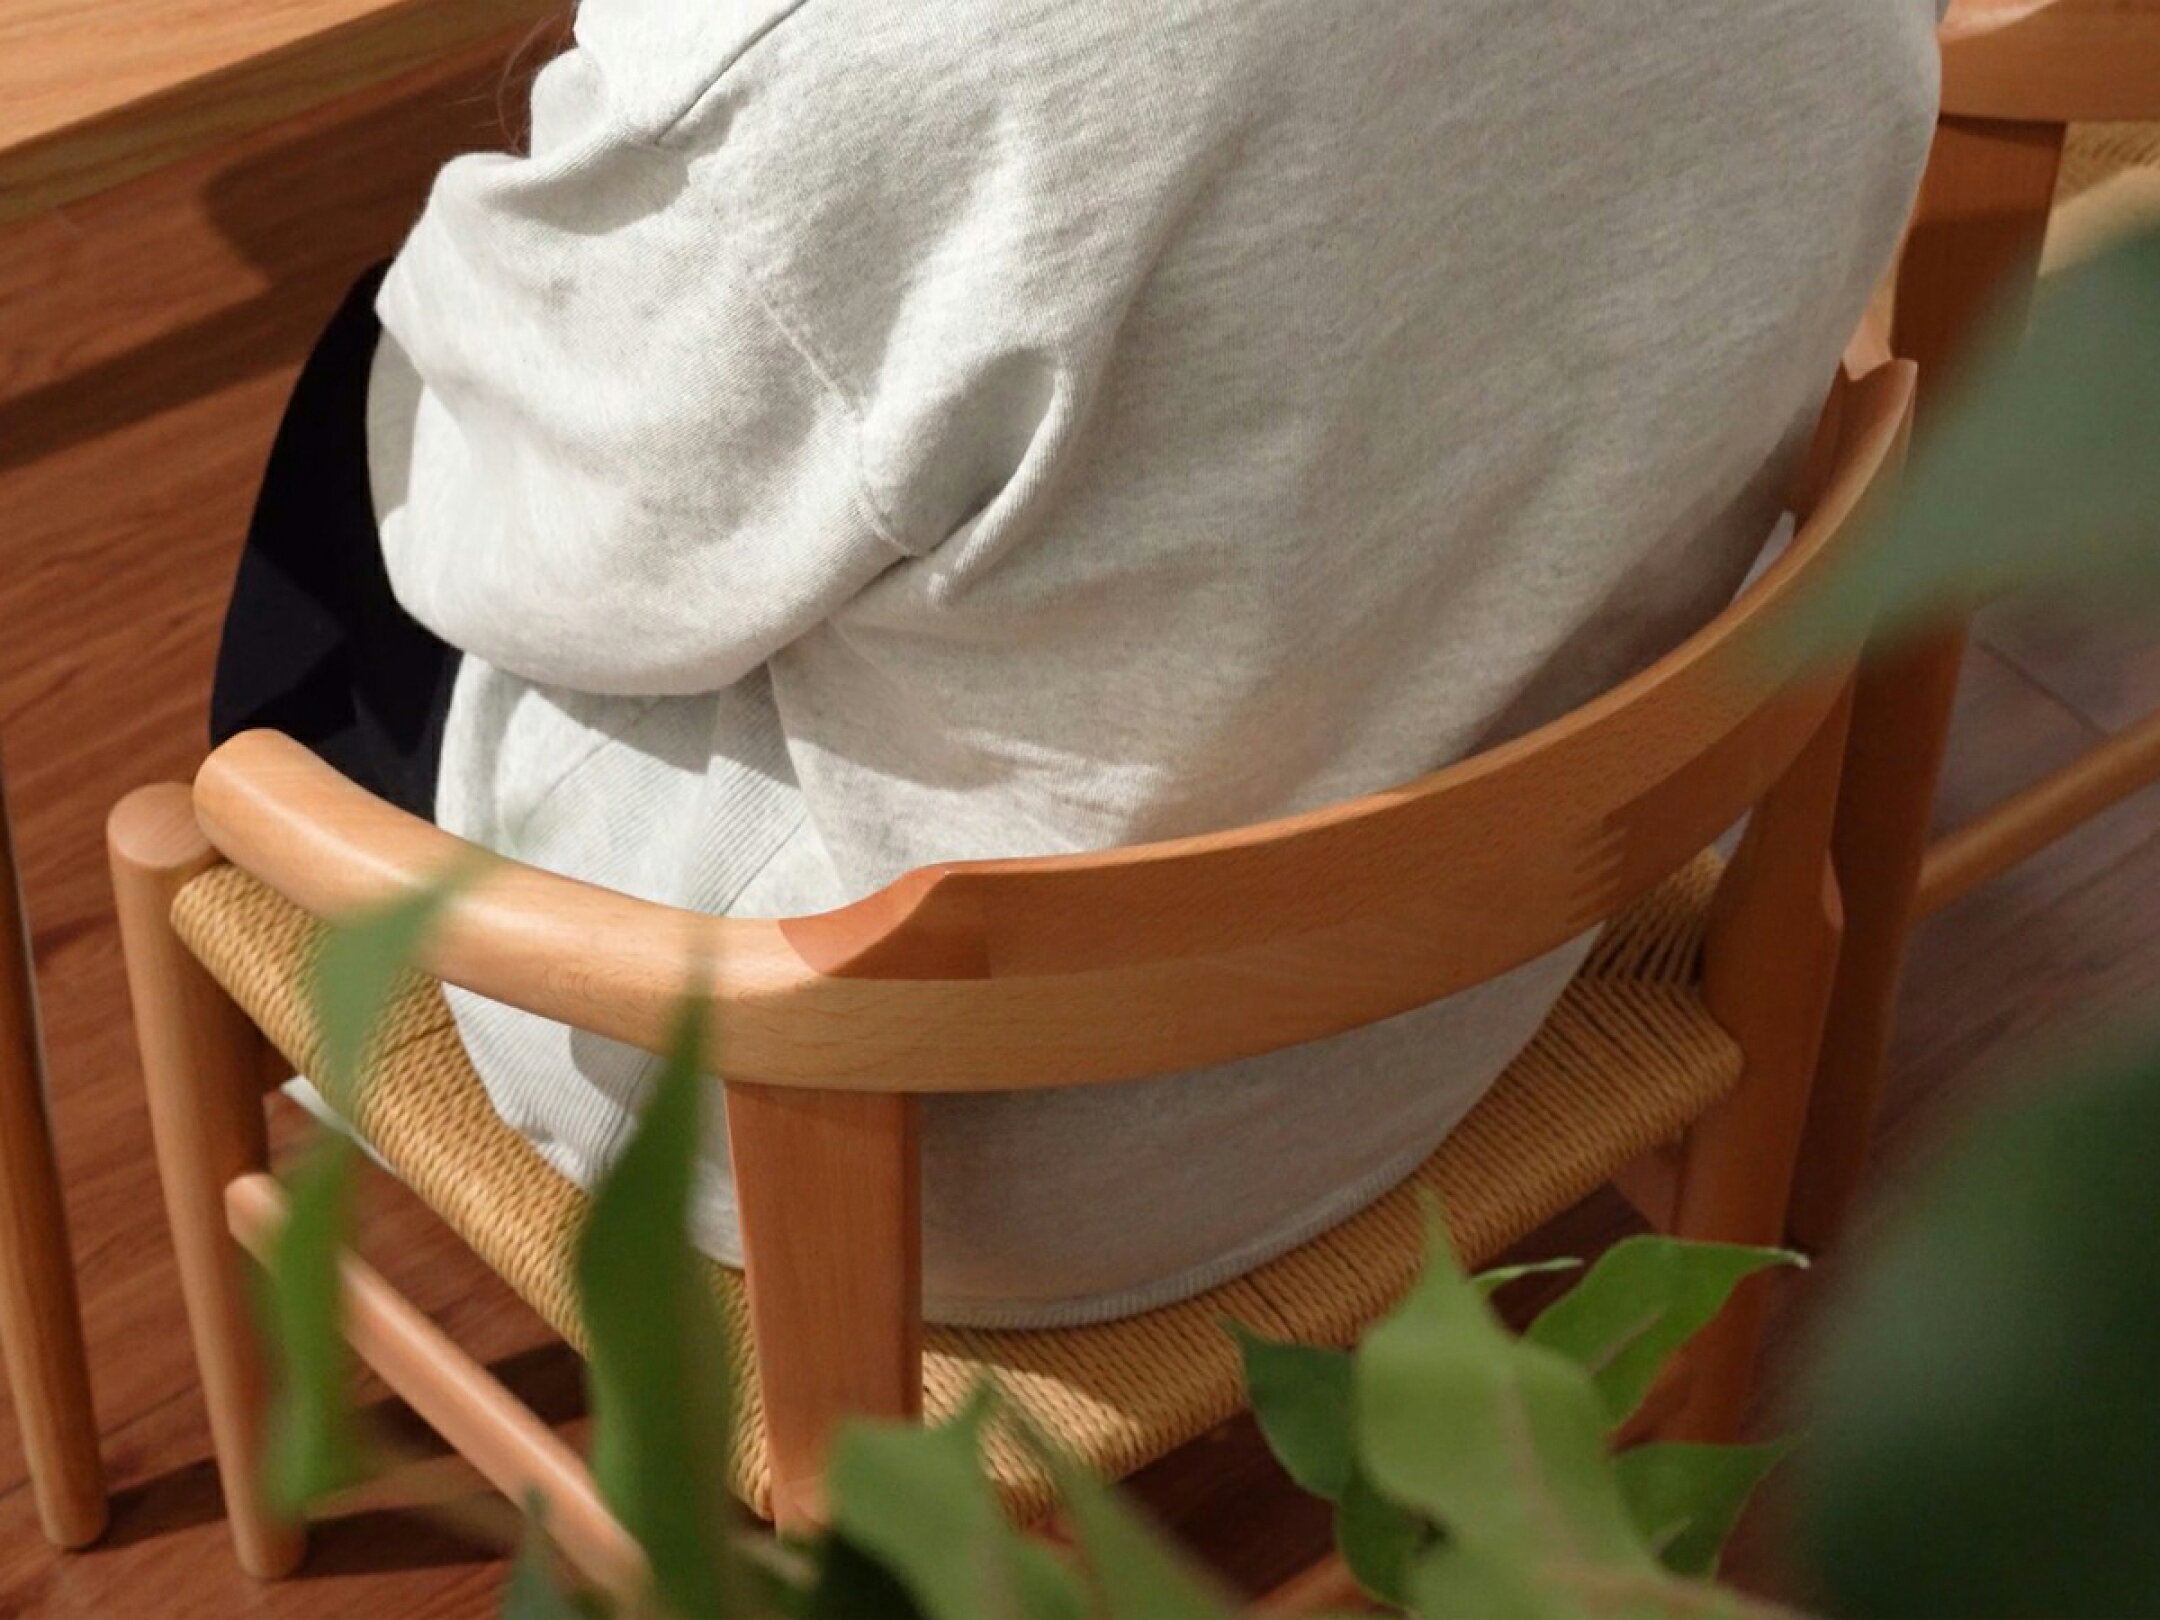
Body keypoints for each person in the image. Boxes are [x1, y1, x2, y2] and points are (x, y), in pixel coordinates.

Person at [212, 0, 1941, 1328]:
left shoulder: (850, 67)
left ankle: (347, 1010)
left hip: (945, 1148)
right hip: (1497, 959)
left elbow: (529, 551)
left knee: (399, 397)